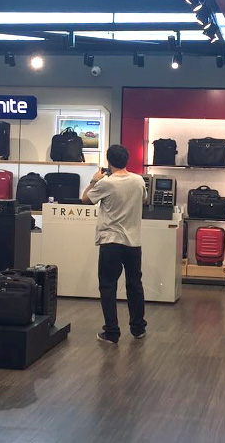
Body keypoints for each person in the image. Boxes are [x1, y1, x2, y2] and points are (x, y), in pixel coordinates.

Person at [81, 144, 147, 344]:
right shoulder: (138, 180)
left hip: (111, 242)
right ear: (127, 160)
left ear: (109, 161)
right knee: (135, 285)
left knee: (108, 286)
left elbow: (85, 199)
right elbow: (143, 199)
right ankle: (138, 328)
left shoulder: (106, 183)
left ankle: (111, 331)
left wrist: (94, 180)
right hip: (133, 242)